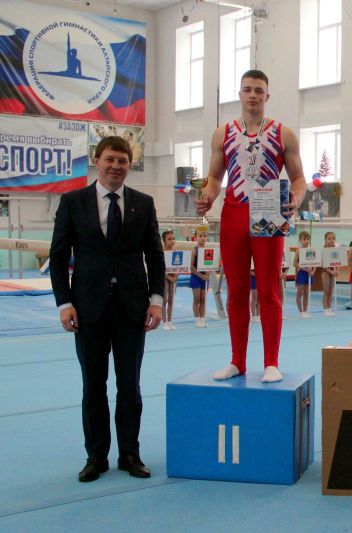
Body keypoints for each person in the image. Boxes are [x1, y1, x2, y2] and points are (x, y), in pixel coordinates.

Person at [49, 136, 164, 482]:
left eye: (122, 161)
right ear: (96, 160)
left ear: (130, 165)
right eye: (110, 159)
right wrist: (64, 303)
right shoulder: (73, 202)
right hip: (88, 309)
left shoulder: (143, 203)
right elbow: (58, 257)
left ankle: (130, 454)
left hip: (132, 308)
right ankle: (96, 456)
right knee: (93, 387)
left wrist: (157, 300)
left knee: (130, 387)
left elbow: (154, 255)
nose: (116, 166)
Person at [196, 69, 306, 383]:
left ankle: (271, 362)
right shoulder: (222, 133)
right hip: (234, 214)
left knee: (269, 290)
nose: (253, 95)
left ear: (267, 96)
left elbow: (299, 178)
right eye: (248, 89)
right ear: (240, 94)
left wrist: (296, 198)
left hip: (269, 212)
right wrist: (207, 196)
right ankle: (237, 361)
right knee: (237, 291)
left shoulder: (284, 134)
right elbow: (214, 177)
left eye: (259, 90)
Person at [190, 230, 211, 328]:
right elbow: (191, 267)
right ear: (196, 237)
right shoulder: (194, 251)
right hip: (196, 277)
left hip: (205, 278)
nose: (203, 238)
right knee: (197, 299)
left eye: (205, 236)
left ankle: (202, 319)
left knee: (203, 300)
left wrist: (208, 273)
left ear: (207, 238)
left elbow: (211, 265)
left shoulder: (208, 251)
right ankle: (197, 319)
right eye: (200, 236)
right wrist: (201, 276)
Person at [294, 230, 315, 319]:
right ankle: (301, 311)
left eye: (308, 239)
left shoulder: (312, 250)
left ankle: (305, 311)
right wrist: (304, 269)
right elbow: (295, 263)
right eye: (304, 239)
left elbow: (315, 263)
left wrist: (313, 271)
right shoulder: (298, 250)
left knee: (307, 293)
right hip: (302, 273)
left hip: (309, 273)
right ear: (300, 240)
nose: (306, 241)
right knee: (300, 293)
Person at [162, 230, 178, 330]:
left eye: (173, 238)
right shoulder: (162, 252)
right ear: (164, 241)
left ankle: (170, 321)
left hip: (173, 277)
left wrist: (175, 276)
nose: (172, 241)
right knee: (164, 300)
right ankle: (164, 322)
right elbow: (160, 268)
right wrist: (168, 277)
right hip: (164, 277)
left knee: (171, 300)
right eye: (169, 239)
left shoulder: (176, 252)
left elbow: (179, 266)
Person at [321, 231, 338, 316]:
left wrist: (336, 270)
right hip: (326, 272)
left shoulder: (335, 250)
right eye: (329, 239)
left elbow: (338, 262)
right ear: (325, 240)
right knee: (326, 291)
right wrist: (331, 271)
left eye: (333, 239)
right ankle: (325, 309)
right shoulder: (324, 250)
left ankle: (329, 308)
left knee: (331, 292)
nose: (331, 240)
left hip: (332, 272)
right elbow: (323, 265)